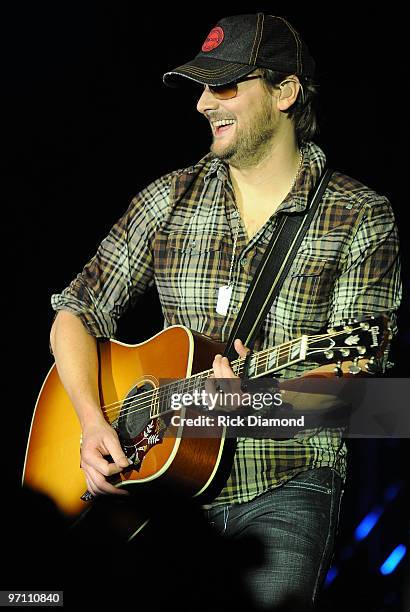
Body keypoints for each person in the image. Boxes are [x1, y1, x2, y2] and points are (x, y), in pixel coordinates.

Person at [49, 13, 401, 610]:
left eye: (226, 86)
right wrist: (91, 423)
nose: (203, 105)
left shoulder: (361, 215)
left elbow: (370, 408)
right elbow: (75, 313)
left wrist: (252, 408)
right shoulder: (168, 198)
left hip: (286, 488)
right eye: (203, 88)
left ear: (286, 92)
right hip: (159, 495)